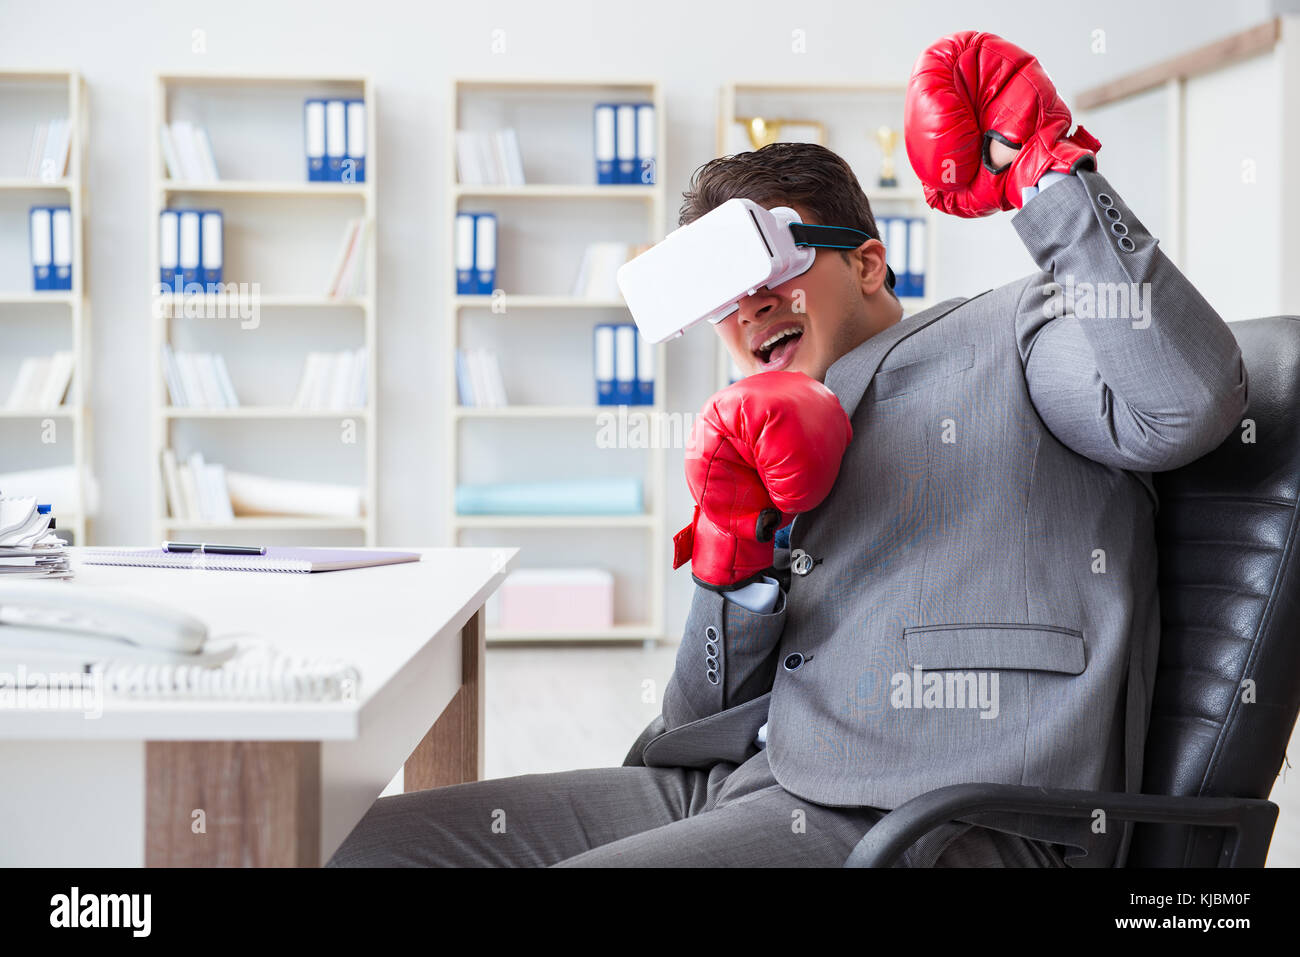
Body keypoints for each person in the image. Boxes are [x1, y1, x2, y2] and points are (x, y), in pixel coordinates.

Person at [328, 32, 1247, 867]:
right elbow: (694, 721)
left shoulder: (1012, 335)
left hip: (939, 817)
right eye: (725, 297)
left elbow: (1188, 403)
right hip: (749, 781)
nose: (752, 307)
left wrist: (1048, 173)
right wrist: (734, 559)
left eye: (772, 265)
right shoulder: (761, 432)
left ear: (869, 263)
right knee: (347, 843)